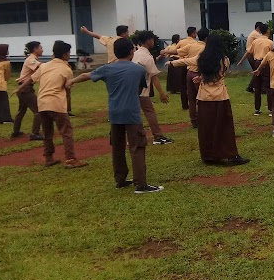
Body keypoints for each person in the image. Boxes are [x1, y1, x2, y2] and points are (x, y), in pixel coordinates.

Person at [68, 38, 162, 192]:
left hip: (114, 113)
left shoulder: (107, 68)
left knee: (117, 147)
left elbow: (86, 76)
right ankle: (141, 184)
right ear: (132, 52)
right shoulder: (138, 70)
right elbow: (139, 90)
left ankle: (120, 179)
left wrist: (71, 81)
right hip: (131, 113)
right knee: (137, 146)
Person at [172, 34, 250, 166]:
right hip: (220, 97)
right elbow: (218, 76)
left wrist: (172, 62)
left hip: (204, 97)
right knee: (224, 127)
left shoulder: (202, 58)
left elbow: (187, 61)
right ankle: (230, 154)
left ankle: (208, 156)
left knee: (206, 127)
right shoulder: (224, 59)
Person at [14, 40, 87, 168]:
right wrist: (68, 107)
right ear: (65, 55)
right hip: (56, 103)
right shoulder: (66, 69)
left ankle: (48, 158)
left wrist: (20, 88)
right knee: (66, 132)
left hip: (42, 103)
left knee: (48, 133)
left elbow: (30, 79)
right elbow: (68, 88)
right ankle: (70, 159)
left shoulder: (44, 66)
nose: (69, 55)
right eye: (69, 53)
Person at [132, 31, 174, 145]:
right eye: (152, 40)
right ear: (148, 41)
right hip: (142, 90)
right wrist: (162, 93)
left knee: (134, 113)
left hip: (131, 89)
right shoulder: (147, 57)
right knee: (149, 112)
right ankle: (158, 136)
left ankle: (134, 136)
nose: (153, 42)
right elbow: (154, 77)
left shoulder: (135, 54)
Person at [11, 41, 44, 140]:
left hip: (24, 88)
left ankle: (16, 132)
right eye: (40, 48)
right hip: (26, 89)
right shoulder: (31, 59)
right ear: (35, 49)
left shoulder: (32, 59)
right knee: (39, 111)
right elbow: (41, 67)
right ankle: (35, 133)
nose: (42, 50)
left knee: (21, 111)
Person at [239, 24, 273, 116]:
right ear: (267, 31)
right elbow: (273, 55)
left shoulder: (256, 41)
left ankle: (257, 109)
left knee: (257, 87)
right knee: (269, 87)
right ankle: (270, 110)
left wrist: (241, 61)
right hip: (266, 64)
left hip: (256, 63)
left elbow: (248, 52)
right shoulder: (270, 42)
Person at [161, 27, 198, 111]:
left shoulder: (181, 42)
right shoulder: (195, 43)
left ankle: (185, 105)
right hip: (190, 64)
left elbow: (175, 50)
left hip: (180, 63)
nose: (196, 35)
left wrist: (165, 52)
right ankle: (195, 103)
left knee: (183, 85)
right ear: (193, 34)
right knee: (193, 85)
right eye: (195, 33)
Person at [180, 28, 208, 127]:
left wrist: (166, 51)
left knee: (191, 99)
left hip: (189, 73)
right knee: (202, 98)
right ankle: (203, 119)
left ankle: (194, 120)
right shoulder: (205, 48)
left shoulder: (192, 45)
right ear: (206, 38)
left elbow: (178, 52)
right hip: (198, 74)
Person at [245, 22, 265, 93]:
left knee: (258, 71)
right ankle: (254, 87)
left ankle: (253, 87)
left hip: (250, 54)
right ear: (258, 28)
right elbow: (263, 40)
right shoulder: (256, 34)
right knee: (259, 71)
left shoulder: (252, 33)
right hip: (252, 55)